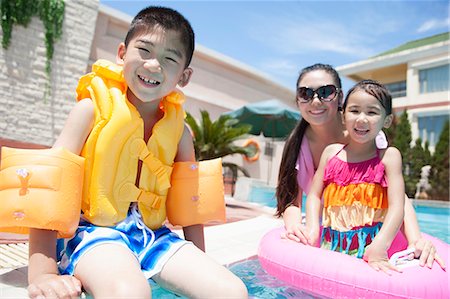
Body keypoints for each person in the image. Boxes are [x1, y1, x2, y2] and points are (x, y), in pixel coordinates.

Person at [26, 6, 248, 299]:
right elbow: (50, 186)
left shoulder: (179, 131)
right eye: (144, 50)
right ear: (121, 53)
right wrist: (43, 274)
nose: (154, 65)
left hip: (152, 236)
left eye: (170, 59)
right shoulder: (90, 111)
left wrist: (200, 260)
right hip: (93, 232)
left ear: (184, 76)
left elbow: (190, 204)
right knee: (130, 293)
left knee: (232, 292)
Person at [276, 63, 445, 270]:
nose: (316, 100)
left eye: (326, 92)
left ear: (339, 98)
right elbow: (292, 199)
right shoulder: (299, 144)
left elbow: (397, 198)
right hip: (335, 231)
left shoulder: (370, 139)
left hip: (372, 227)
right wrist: (300, 228)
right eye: (305, 93)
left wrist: (415, 239)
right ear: (297, 99)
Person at [302, 79, 404, 273]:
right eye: (354, 110)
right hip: (332, 247)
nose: (361, 119)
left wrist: (380, 245)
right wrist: (313, 229)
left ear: (387, 121)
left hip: (371, 251)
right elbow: (315, 196)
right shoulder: (331, 153)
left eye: (372, 112)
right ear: (343, 116)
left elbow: (398, 206)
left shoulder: (389, 157)